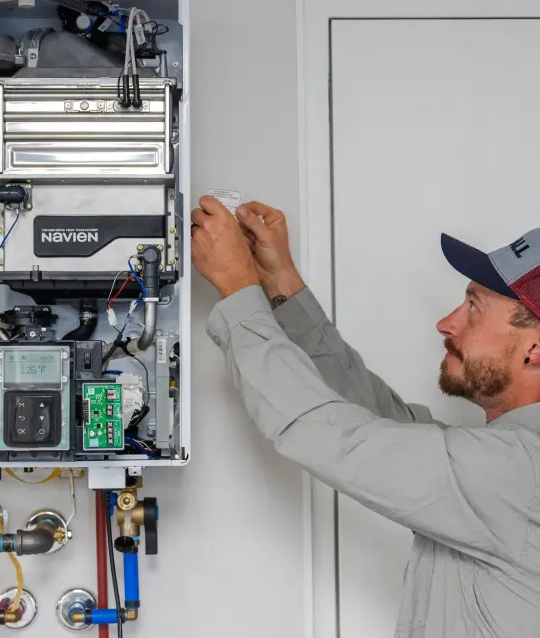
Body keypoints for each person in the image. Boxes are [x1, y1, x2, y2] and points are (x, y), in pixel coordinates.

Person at [190, 195, 540, 638]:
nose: (446, 323)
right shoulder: (510, 463)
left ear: (534, 349)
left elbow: (329, 434)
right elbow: (375, 419)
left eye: (474, 306)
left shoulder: (514, 470)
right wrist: (280, 282)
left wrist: (238, 291)